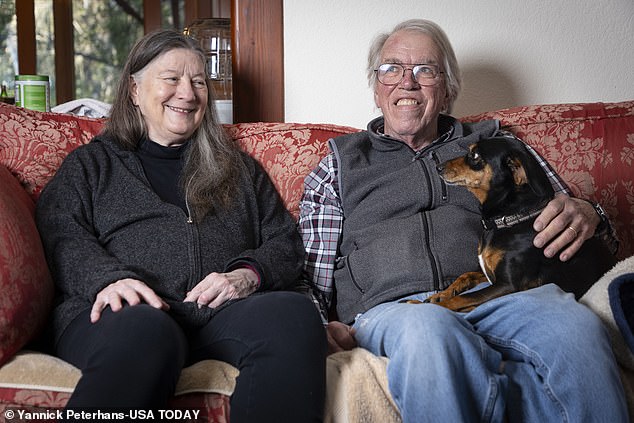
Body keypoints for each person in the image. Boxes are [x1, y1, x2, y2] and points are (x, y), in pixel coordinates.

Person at [299, 19, 627, 422]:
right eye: (392, 69)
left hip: (503, 296)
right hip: (399, 311)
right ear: (376, 87)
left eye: (425, 70)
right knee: (430, 333)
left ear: (448, 90)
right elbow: (310, 275)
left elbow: (576, 228)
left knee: (576, 328)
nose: (407, 82)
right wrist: (317, 327)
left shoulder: (497, 146)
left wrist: (590, 213)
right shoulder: (337, 164)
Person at [35, 29, 326, 422]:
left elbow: (285, 242)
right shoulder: (90, 166)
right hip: (122, 315)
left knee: (292, 315)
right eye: (171, 79)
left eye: (199, 82)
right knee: (145, 332)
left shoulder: (237, 168)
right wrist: (107, 279)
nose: (187, 93)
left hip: (216, 316)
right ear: (135, 91)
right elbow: (61, 233)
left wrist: (246, 275)